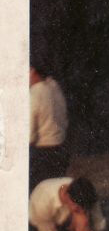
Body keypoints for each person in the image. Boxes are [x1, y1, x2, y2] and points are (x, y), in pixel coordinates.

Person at [29, 59, 70, 192]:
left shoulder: (33, 95)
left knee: (41, 191)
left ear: (33, 71)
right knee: (57, 188)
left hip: (43, 152)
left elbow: (29, 134)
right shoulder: (54, 87)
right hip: (61, 147)